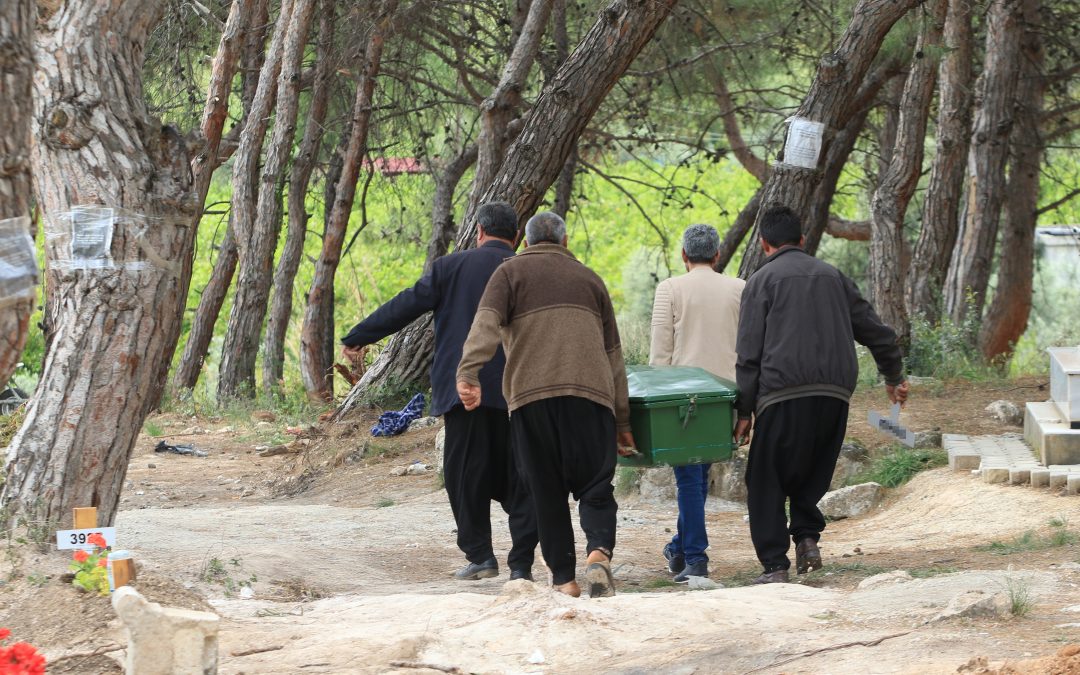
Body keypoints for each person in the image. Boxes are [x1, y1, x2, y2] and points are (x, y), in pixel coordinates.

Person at [341, 201, 538, 582]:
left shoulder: (451, 267)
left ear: (479, 231)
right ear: (515, 236)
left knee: (464, 472)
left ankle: (481, 555)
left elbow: (405, 305)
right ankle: (521, 563)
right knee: (520, 475)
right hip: (518, 388)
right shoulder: (525, 270)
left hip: (464, 388)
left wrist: (358, 336)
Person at [456, 211, 637, 598]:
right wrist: (623, 422)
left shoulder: (508, 274)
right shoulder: (591, 280)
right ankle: (598, 552)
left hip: (531, 399)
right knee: (596, 486)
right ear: (566, 242)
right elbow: (614, 356)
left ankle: (564, 580)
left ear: (525, 241)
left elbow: (485, 326)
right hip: (591, 397)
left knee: (546, 491)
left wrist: (468, 373)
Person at [734, 206, 909, 585]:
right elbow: (876, 331)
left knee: (766, 477)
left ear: (764, 244)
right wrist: (893, 376)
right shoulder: (834, 277)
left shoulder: (761, 282)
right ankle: (808, 538)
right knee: (812, 470)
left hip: (782, 393)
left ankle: (775, 564)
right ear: (801, 240)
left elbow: (748, 353)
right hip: (834, 394)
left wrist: (743, 410)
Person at [649, 224, 744, 582]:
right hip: (726, 396)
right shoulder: (739, 288)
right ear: (717, 255)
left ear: (684, 256)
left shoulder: (670, 288)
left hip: (684, 398)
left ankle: (695, 556)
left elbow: (661, 351)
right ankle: (679, 547)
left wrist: (657, 401)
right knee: (698, 476)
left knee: (690, 478)